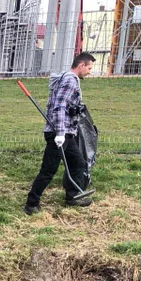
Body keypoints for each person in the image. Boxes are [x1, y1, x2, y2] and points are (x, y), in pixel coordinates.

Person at [24, 52, 96, 215]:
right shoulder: (70, 80)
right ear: (81, 65)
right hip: (59, 133)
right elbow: (60, 106)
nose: (89, 72)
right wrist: (60, 134)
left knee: (78, 163)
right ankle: (31, 204)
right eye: (89, 68)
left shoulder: (69, 78)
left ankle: (72, 197)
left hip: (67, 133)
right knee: (48, 170)